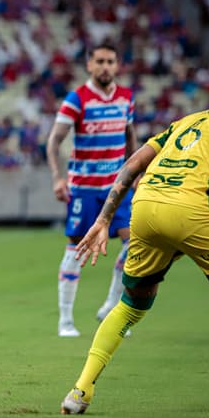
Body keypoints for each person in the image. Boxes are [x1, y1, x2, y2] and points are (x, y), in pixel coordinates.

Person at [61, 78, 209, 415]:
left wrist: (104, 219)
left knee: (131, 305)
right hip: (193, 211)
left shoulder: (191, 119)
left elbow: (132, 164)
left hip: (145, 208)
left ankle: (79, 392)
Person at [46, 42, 137, 336]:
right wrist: (57, 178)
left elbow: (130, 137)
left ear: (117, 65)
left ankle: (111, 306)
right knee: (76, 249)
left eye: (110, 61)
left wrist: (135, 171)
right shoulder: (77, 99)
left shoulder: (126, 98)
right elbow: (54, 141)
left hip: (117, 188)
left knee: (135, 245)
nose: (105, 67)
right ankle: (65, 320)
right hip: (84, 189)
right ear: (89, 65)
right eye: (99, 61)